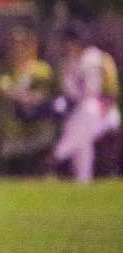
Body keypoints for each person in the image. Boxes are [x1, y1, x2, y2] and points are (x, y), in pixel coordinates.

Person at [50, 24, 122, 183]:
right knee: (80, 133)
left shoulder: (99, 58)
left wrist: (104, 105)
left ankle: (55, 157)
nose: (65, 46)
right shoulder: (68, 63)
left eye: (68, 42)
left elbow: (111, 90)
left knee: (86, 113)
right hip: (82, 113)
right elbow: (70, 94)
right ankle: (82, 179)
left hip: (103, 111)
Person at [0, 26, 57, 173]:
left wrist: (26, 98)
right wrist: (25, 97)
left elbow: (45, 95)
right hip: (10, 122)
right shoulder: (2, 69)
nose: (18, 48)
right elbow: (3, 89)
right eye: (13, 44)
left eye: (23, 43)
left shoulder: (42, 69)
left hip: (37, 121)